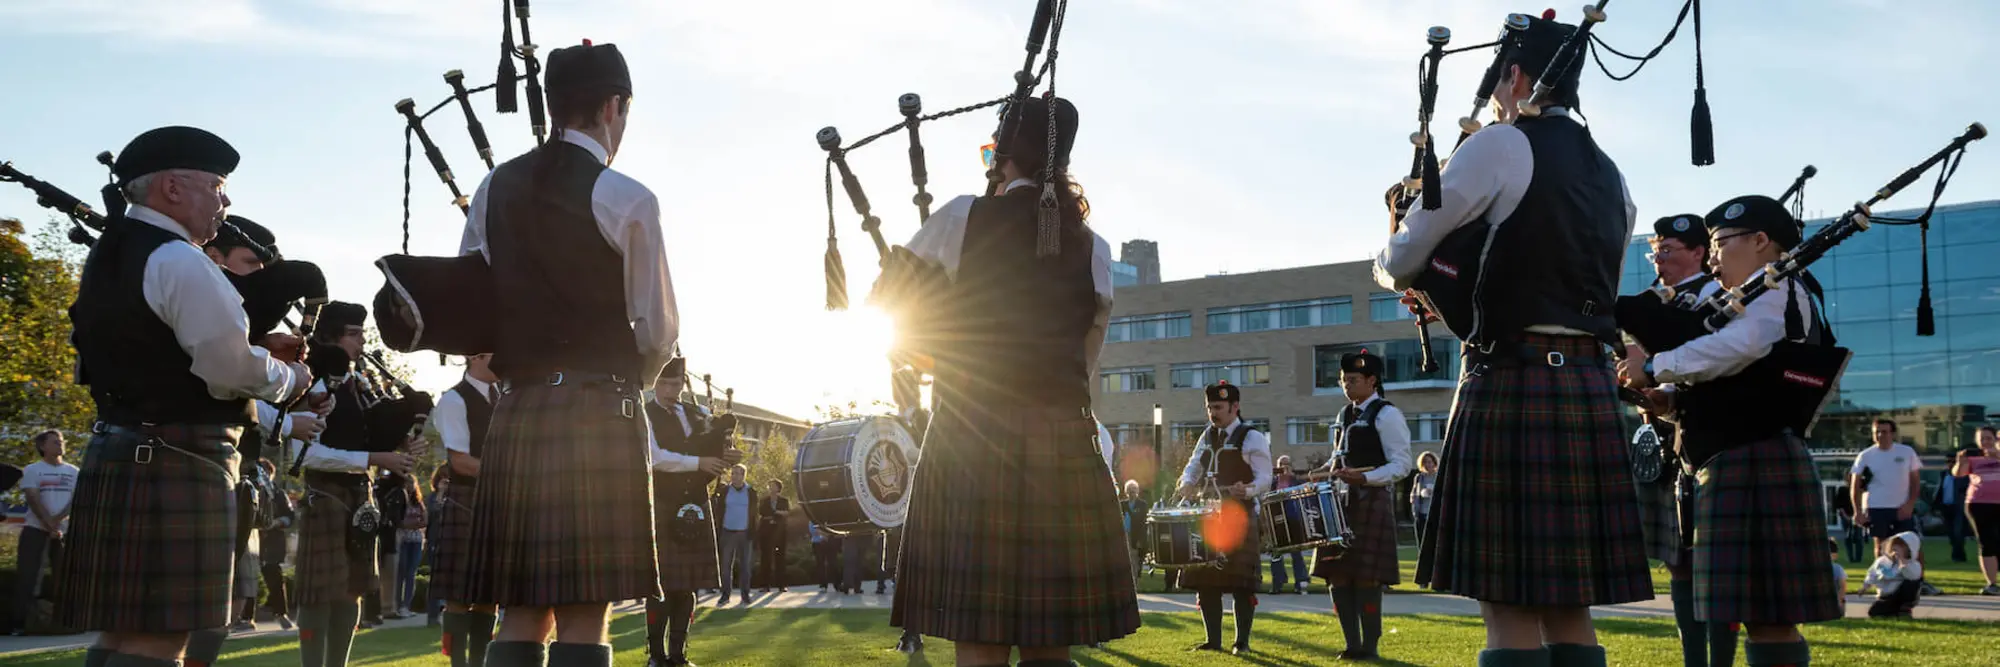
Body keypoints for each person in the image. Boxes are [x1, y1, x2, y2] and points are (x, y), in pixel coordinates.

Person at [1378, 13, 1648, 666]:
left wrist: (1401, 222)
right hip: (1583, 384)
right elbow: (1596, 292)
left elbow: (1404, 257)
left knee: (1507, 605)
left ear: (1517, 76)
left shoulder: (1500, 145)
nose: (1498, 96)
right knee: (1568, 605)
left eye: (1501, 81)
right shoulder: (1615, 178)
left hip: (1511, 380)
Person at [879, 94, 1139, 666]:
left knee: (980, 638)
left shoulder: (959, 217)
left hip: (970, 440)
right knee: (1051, 645)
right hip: (1060, 438)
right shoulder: (1092, 247)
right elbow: (1085, 353)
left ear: (1002, 154)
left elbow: (892, 311)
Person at [58, 125, 314, 667]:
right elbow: (230, 372)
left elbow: (148, 344)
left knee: (120, 634)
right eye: (218, 186)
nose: (226, 201)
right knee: (158, 640)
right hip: (177, 459)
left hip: (121, 449)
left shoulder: (110, 256)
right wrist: (291, 379)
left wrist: (256, 344)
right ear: (173, 188)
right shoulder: (180, 259)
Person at [459, 40, 673, 667]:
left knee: (522, 607)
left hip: (518, 411)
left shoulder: (492, 186)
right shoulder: (627, 195)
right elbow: (658, 330)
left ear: (554, 106)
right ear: (613, 107)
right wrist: (636, 378)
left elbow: (474, 299)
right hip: (599, 410)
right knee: (585, 609)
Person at [1619, 195, 1846, 667]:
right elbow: (1735, 373)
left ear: (1761, 241)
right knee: (1758, 611)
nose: (1714, 254)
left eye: (1721, 242)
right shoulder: (1752, 294)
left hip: (1757, 459)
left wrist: (1658, 365)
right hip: (1733, 459)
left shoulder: (1778, 284)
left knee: (1770, 614)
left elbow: (1740, 348)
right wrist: (1670, 402)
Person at [1631, 213, 1736, 667]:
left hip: (1712, 441)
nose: (1660, 258)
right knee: (1679, 561)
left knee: (1716, 567)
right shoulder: (1650, 304)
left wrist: (1665, 388)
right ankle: (1694, 660)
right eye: (1656, 250)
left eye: (1669, 249)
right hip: (1666, 444)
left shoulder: (1721, 302)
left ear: (1699, 252)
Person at [292, 301, 420, 667]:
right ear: (330, 338)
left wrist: (399, 445)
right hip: (326, 494)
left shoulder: (360, 384)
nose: (362, 340)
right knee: (318, 594)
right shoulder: (309, 380)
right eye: (353, 333)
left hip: (360, 496)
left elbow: (368, 436)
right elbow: (307, 456)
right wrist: (375, 459)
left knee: (352, 591)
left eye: (362, 332)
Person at [1311, 351, 1412, 661]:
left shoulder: (1387, 414)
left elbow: (1402, 464)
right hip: (1341, 501)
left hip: (1371, 500)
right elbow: (1340, 457)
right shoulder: (1344, 415)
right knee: (1337, 575)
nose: (1346, 385)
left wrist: (1365, 478)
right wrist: (1329, 471)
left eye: (1352, 380)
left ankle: (1370, 645)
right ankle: (1351, 643)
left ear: (1372, 380)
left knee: (1366, 577)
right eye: (1343, 380)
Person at [644, 357, 738, 667]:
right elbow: (655, 458)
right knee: (662, 585)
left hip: (696, 501)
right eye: (667, 383)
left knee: (686, 586)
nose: (673, 389)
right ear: (655, 383)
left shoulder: (696, 414)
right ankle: (656, 656)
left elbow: (710, 448)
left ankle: (678, 655)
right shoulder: (646, 414)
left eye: (678, 383)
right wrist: (698, 462)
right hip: (663, 500)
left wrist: (725, 455)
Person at [1174, 382, 1273, 655]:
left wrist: (1249, 489)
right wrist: (1186, 482)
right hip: (1208, 517)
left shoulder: (1252, 437)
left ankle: (1242, 642)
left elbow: (1266, 477)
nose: (1212, 413)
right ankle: (1213, 641)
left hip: (1240, 517)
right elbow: (1194, 465)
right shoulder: (1207, 435)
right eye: (1209, 407)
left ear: (1235, 407)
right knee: (1206, 581)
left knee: (1241, 583)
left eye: (1218, 407)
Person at [430, 353, 500, 667]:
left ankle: (480, 664)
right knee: (459, 597)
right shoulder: (454, 400)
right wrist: (509, 473)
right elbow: (460, 461)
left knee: (489, 597)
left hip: (499, 502)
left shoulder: (506, 397)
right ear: (476, 356)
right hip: (466, 501)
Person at [11, 430, 76, 636]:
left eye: (61, 441)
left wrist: (57, 524)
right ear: (42, 447)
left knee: (65, 578)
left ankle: (66, 623)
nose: (60, 444)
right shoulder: (33, 470)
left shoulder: (74, 472)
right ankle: (20, 624)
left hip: (63, 532)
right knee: (28, 577)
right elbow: (33, 497)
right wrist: (49, 524)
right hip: (35, 530)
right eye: (55, 442)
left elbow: (77, 501)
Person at [1850, 420, 1922, 559]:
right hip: (1876, 507)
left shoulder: (1907, 452)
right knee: (1881, 546)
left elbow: (1915, 481)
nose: (1880, 435)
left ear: (1892, 434)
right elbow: (1855, 485)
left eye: (1884, 431)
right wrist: (1857, 511)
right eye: (1876, 432)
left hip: (1902, 507)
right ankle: (1883, 577)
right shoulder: (1865, 456)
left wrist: (1910, 504)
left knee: (1910, 545)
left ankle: (1915, 578)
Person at [1952, 426, 2000, 595]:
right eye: (1982, 439)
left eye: (1988, 438)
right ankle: (1992, 584)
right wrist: (1960, 461)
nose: (1985, 442)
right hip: (1978, 503)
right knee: (1986, 541)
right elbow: (1958, 474)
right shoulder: (1974, 458)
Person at [256, 458, 297, 631]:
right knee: (247, 579)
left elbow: (290, 516)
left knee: (274, 576)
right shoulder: (249, 490)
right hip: (252, 537)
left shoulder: (278, 494)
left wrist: (276, 523)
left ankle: (281, 613)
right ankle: (244, 617)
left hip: (272, 540)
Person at [712, 465, 760, 605]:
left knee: (745, 567)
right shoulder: (725, 491)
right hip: (727, 532)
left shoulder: (751, 492)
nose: (735, 476)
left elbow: (754, 514)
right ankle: (725, 595)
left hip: (745, 533)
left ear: (744, 475)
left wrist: (753, 532)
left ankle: (745, 595)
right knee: (725, 566)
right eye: (733, 473)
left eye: (738, 474)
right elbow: (719, 511)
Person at [1267, 456, 1310, 596]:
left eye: (1286, 465)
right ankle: (1277, 583)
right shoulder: (1272, 482)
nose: (1284, 468)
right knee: (1276, 552)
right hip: (1277, 519)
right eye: (1281, 465)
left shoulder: (1296, 481)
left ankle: (1300, 582)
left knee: (1296, 551)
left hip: (1293, 518)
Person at [1863, 532, 1925, 618]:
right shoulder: (1883, 561)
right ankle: (1890, 610)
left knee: (1912, 584)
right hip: (1886, 595)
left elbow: (1913, 576)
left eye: (1901, 546)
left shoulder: (1913, 565)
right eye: (1894, 546)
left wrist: (1903, 564)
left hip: (1901, 594)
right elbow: (1872, 572)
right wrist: (1866, 585)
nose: (1896, 549)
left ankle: (1905, 608)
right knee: (1874, 612)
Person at [758, 480, 792, 593]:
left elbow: (786, 513)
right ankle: (765, 585)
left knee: (780, 558)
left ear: (778, 488)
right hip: (766, 532)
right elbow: (761, 512)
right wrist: (776, 514)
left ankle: (781, 585)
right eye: (770, 486)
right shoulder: (764, 500)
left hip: (779, 532)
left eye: (773, 486)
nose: (771, 488)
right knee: (765, 558)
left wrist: (775, 512)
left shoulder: (784, 501)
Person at [1410, 451, 1438, 548]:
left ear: (1434, 463)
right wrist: (1414, 499)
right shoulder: (1419, 477)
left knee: (1435, 542)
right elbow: (1414, 493)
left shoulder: (1439, 477)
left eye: (1430, 462)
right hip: (1421, 514)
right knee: (1422, 543)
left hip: (1435, 514)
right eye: (1425, 462)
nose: (1427, 465)